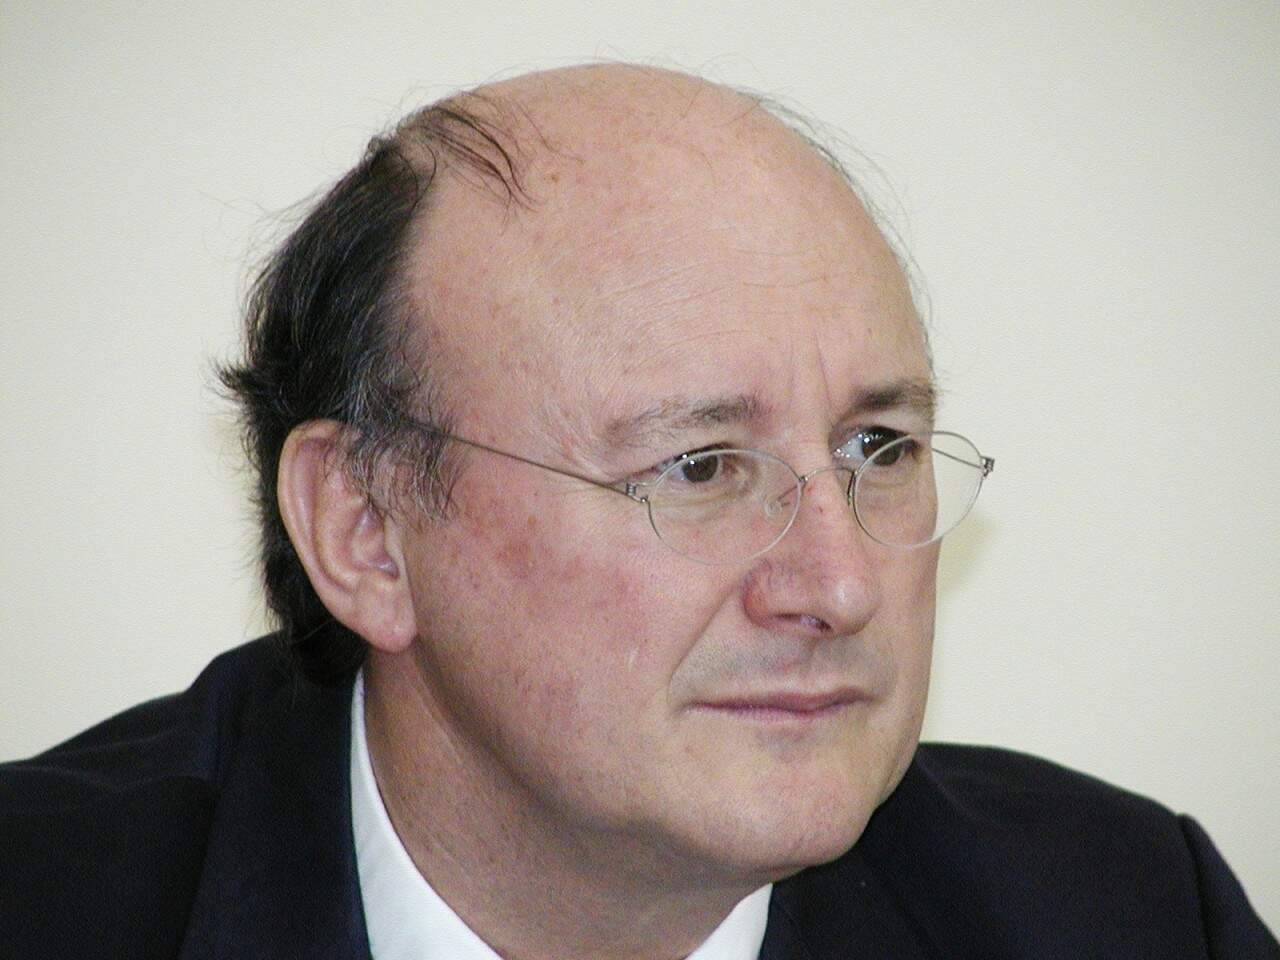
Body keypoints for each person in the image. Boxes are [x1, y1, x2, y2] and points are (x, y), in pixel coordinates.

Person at [1, 63, 1275, 960]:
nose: (839, 585)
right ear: (366, 532)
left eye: (876, 447)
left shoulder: (1127, 914)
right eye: (700, 468)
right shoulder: (47, 906)